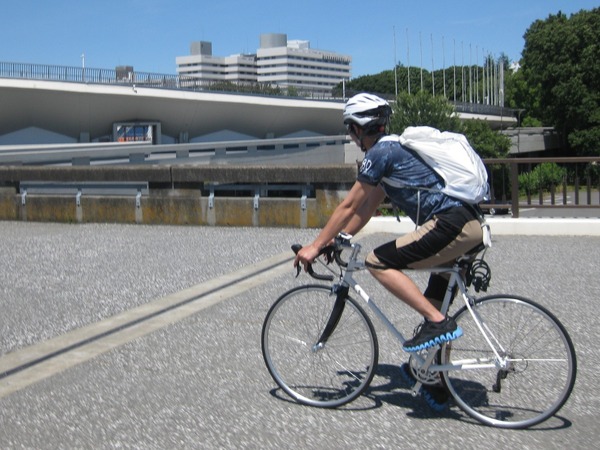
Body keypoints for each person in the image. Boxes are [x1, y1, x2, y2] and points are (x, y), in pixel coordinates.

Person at [294, 93, 484, 354]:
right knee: (433, 302)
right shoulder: (395, 150)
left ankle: (439, 323)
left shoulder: (381, 153)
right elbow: (367, 208)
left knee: (377, 261)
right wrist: (337, 239)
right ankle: (435, 380)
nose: (351, 136)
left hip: (450, 225)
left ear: (358, 128)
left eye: (351, 130)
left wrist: (314, 246)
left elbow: (348, 205)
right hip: (467, 223)